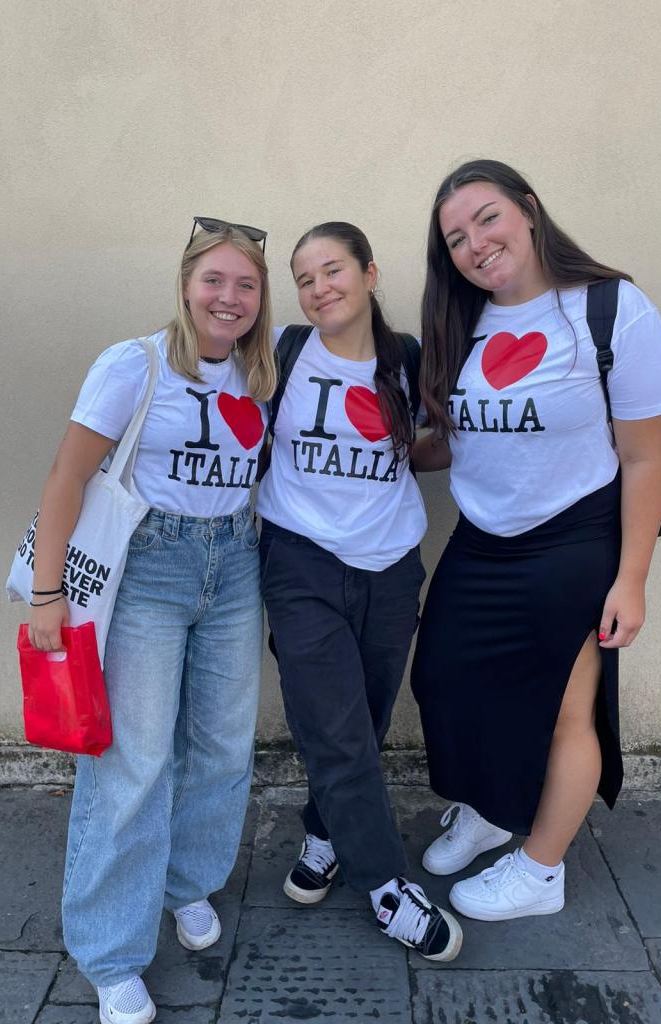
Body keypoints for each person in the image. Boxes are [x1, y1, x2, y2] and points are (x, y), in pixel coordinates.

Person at [411, 160, 661, 922]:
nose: (475, 244)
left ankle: (540, 870)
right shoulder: (461, 322)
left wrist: (631, 579)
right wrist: (389, 452)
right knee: (444, 680)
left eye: (487, 218)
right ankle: (493, 810)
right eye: (456, 238)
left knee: (566, 710)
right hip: (482, 538)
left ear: (528, 210)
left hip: (573, 540)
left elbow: (645, 458)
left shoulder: (611, 309)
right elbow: (458, 437)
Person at [27, 219, 276, 1024]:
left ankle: (185, 883)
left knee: (223, 743)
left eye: (246, 285)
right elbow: (67, 476)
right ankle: (111, 954)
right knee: (133, 761)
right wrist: (47, 593)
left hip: (235, 562)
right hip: (149, 569)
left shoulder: (259, 373)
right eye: (215, 281)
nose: (229, 298)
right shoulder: (133, 364)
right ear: (186, 284)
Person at [256, 222, 462, 961]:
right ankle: (386, 886)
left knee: (364, 718)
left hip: (391, 566)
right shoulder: (278, 353)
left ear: (370, 274)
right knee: (334, 724)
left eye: (333, 270)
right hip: (299, 561)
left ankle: (325, 834)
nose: (319, 289)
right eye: (304, 279)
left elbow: (431, 447)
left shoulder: (410, 360)